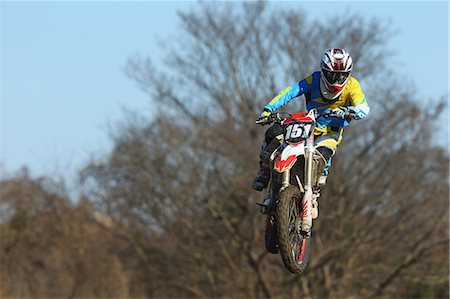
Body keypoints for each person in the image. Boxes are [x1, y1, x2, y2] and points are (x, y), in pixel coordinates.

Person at [251, 48, 370, 194]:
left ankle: (313, 192)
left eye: (341, 76)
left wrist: (348, 111)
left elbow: (364, 108)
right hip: (308, 125)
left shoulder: (353, 85)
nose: (337, 80)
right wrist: (269, 109)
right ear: (324, 71)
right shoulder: (314, 79)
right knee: (273, 132)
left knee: (323, 154)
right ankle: (264, 171)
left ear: (348, 74)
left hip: (330, 131)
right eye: (332, 75)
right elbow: (291, 91)